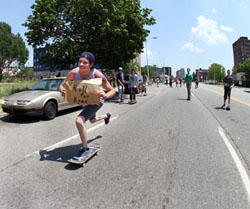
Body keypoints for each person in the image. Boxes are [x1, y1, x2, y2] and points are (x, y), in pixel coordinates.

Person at [59, 52, 115, 162]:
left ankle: (85, 148)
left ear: (91, 64)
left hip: (96, 102)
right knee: (92, 120)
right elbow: (62, 85)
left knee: (79, 121)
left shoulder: (97, 75)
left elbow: (112, 90)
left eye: (85, 62)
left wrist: (106, 95)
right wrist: (62, 89)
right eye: (80, 61)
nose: (81, 64)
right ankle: (106, 116)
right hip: (84, 101)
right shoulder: (74, 73)